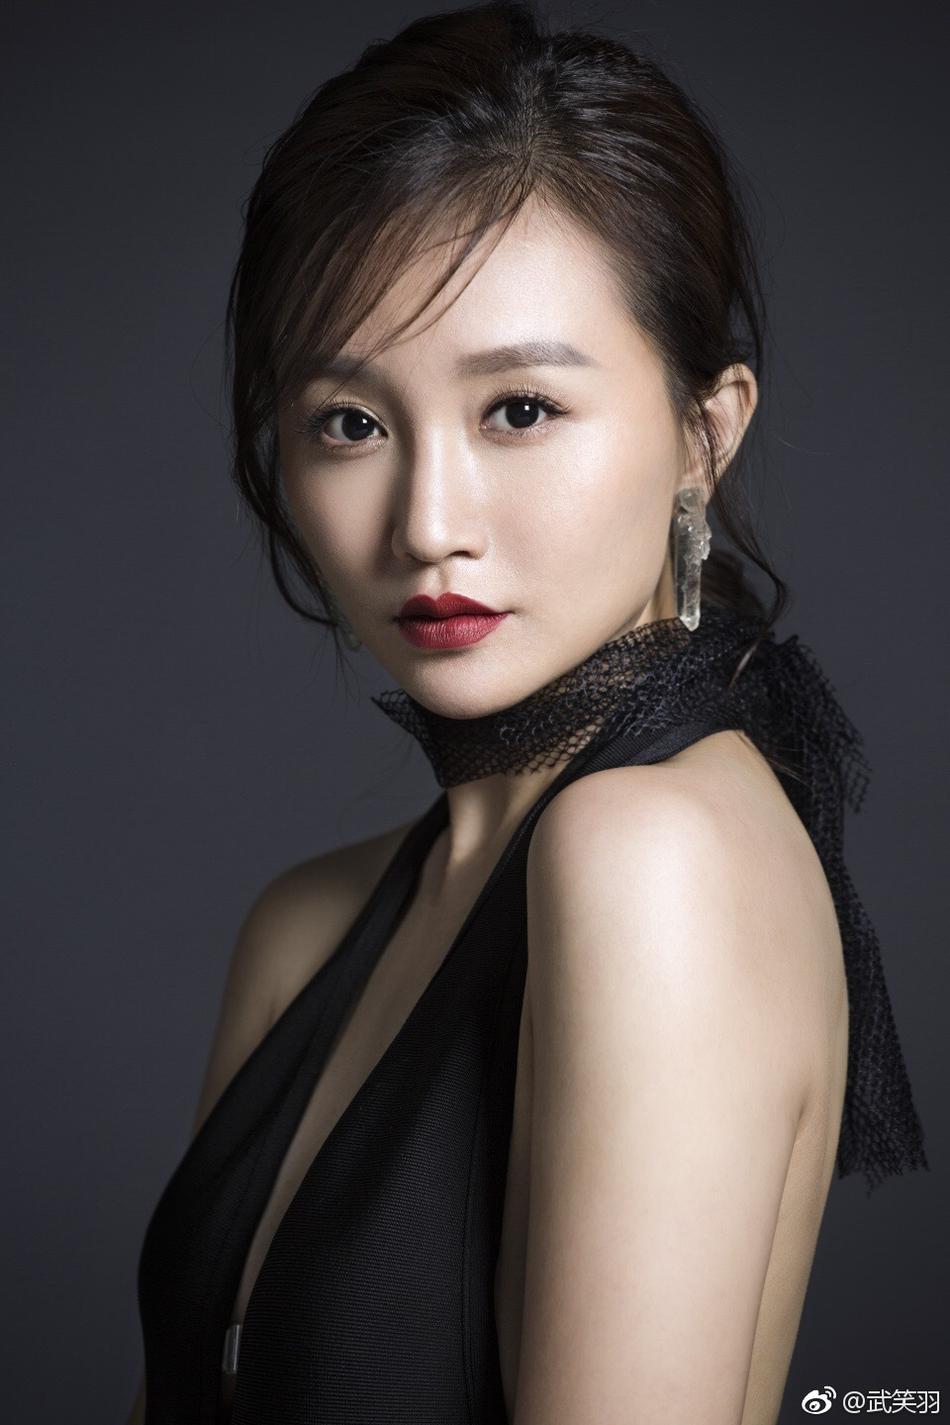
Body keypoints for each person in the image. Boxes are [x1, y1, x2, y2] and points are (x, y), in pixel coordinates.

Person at [127, 3, 928, 1422]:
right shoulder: (304, 927)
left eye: (519, 410)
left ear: (704, 432)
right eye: (351, 423)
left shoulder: (651, 856)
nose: (427, 524)